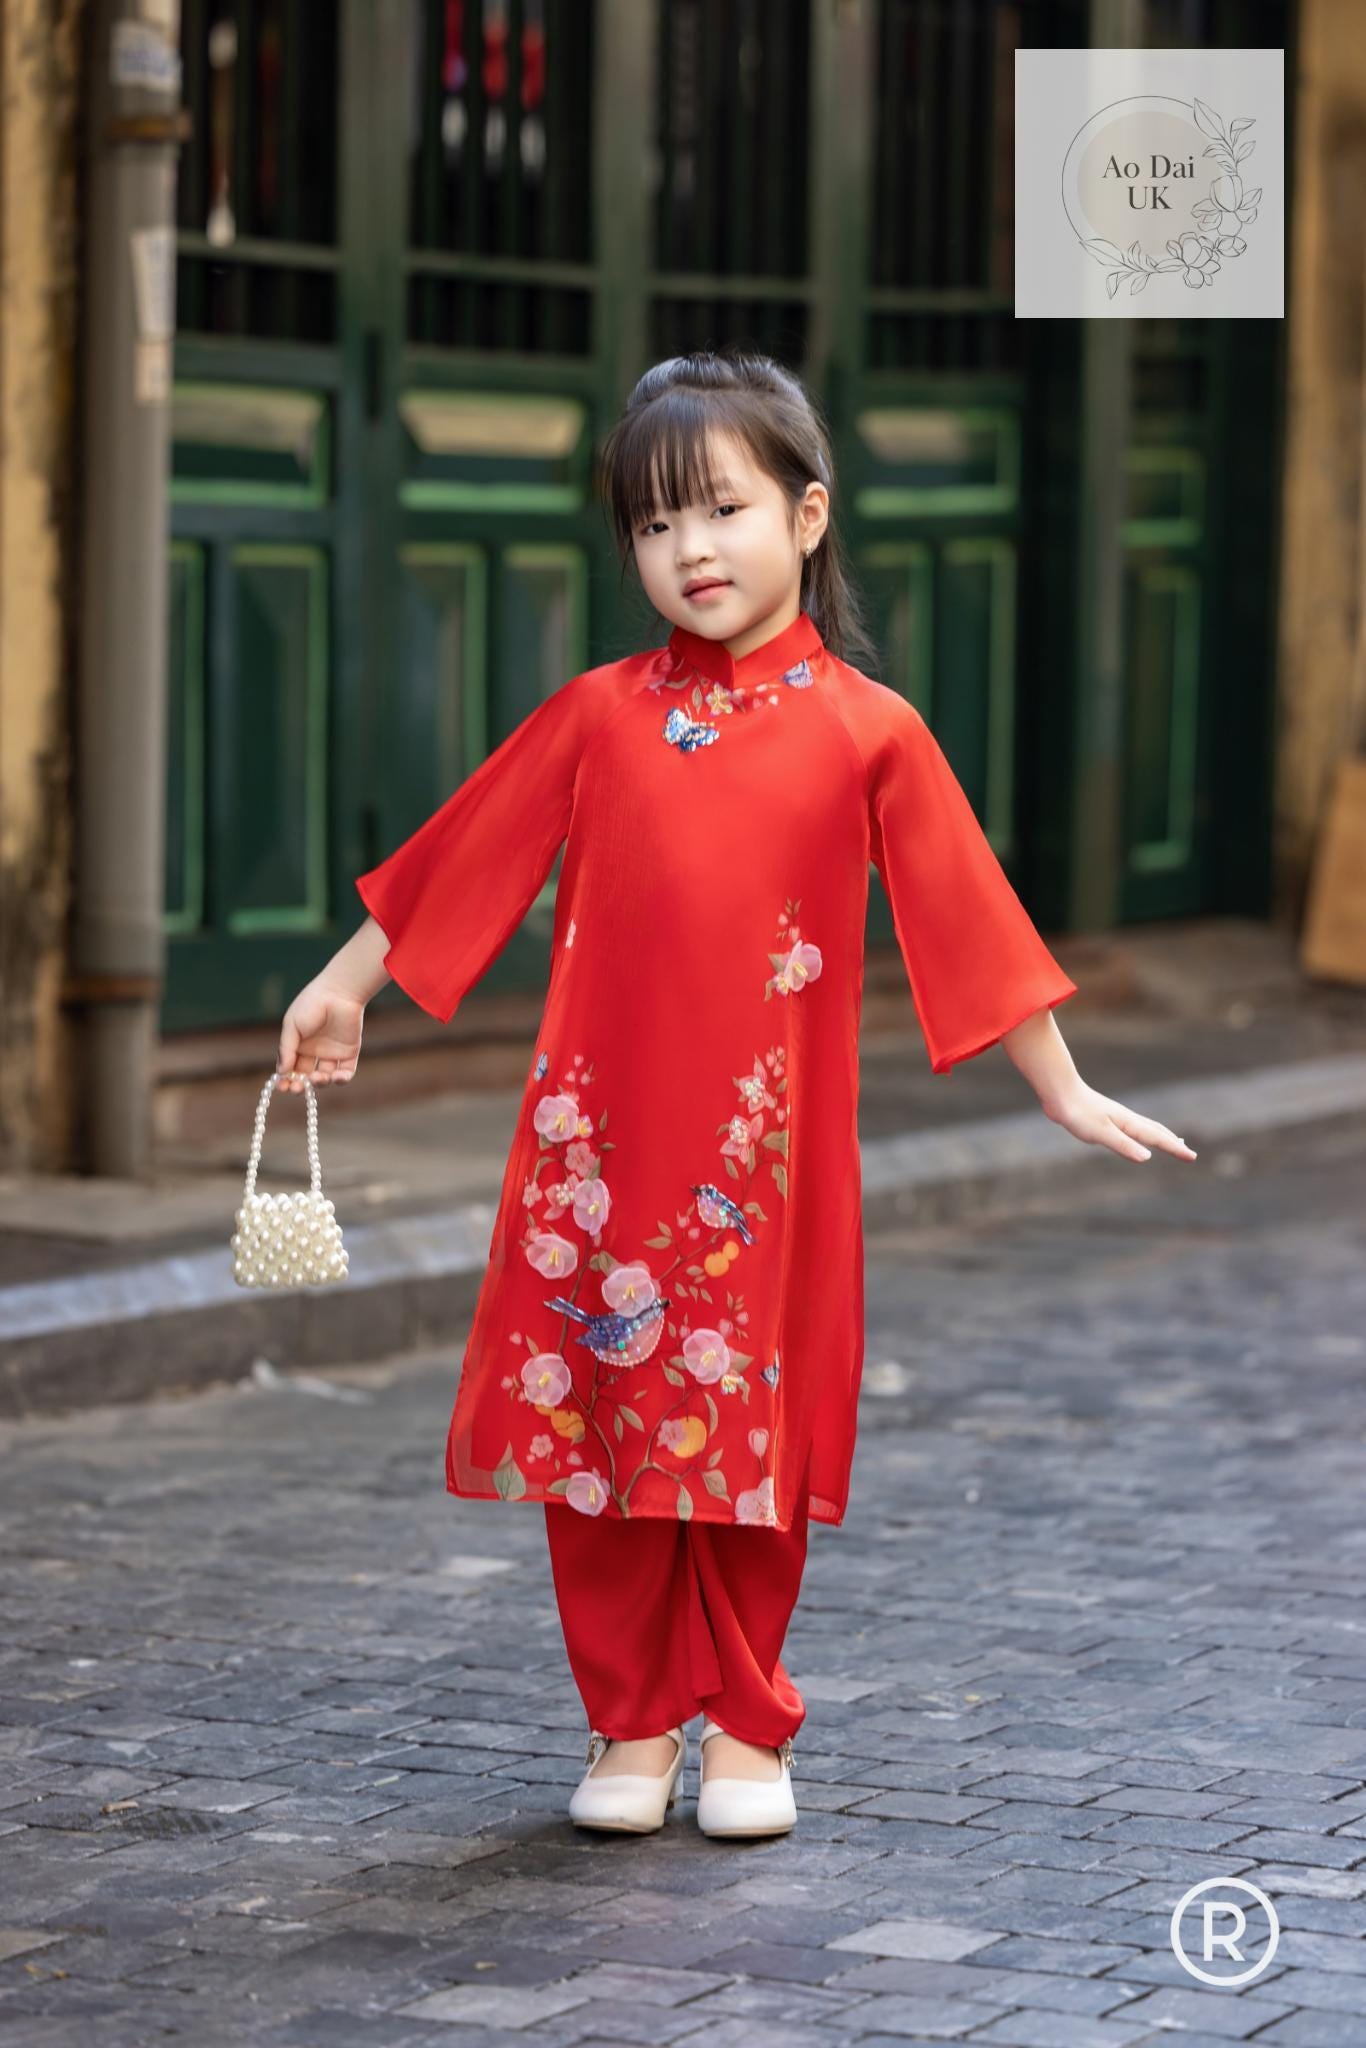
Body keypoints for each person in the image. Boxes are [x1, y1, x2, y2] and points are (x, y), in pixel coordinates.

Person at [276, 348, 1197, 1840]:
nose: (686, 551)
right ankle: (630, 1726)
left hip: (766, 1162)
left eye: (717, 509)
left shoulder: (869, 730)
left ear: (808, 514)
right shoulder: (593, 717)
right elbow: (463, 861)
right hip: (600, 1145)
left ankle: (748, 1724)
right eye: (649, 524)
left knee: (745, 1440)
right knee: (601, 1431)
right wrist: (340, 986)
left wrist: (1062, 1084)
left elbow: (965, 915)